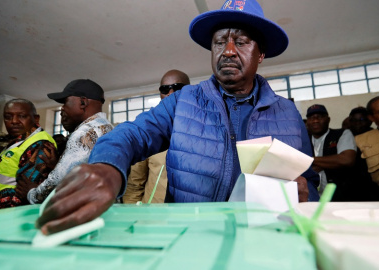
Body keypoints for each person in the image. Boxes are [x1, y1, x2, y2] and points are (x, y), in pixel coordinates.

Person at [37, 0, 319, 235]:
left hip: (268, 236)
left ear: (261, 54)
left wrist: (307, 196)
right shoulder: (182, 102)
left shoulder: (288, 113)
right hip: (192, 236)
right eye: (220, 42)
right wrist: (107, 167)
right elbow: (133, 134)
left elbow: (308, 180)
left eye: (241, 42)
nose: (228, 51)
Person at [22, 79, 114, 204]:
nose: (63, 108)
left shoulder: (84, 133)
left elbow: (59, 182)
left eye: (65, 103)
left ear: (83, 102)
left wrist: (32, 194)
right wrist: (58, 166)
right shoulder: (108, 127)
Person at [123, 70, 190, 204]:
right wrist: (136, 217)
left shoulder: (204, 129)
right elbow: (135, 184)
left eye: (177, 87)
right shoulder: (148, 131)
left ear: (189, 90)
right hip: (153, 217)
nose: (171, 93)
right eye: (165, 89)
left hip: (190, 216)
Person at [306, 104, 357, 200]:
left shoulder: (342, 133)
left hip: (341, 195)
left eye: (320, 117)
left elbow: (347, 160)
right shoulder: (303, 140)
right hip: (312, 197)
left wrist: (309, 159)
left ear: (328, 119)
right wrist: (331, 161)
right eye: (311, 118)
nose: (315, 120)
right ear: (307, 122)